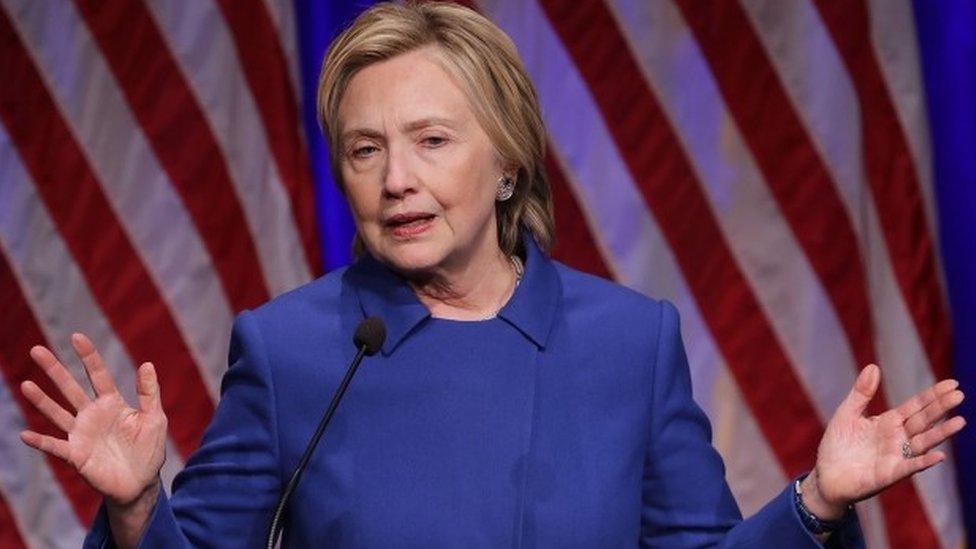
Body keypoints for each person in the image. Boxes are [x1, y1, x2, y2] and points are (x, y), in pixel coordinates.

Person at [19, 3, 966, 547]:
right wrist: (140, 503)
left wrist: (818, 498)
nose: (396, 180)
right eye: (363, 149)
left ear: (508, 161)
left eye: (432, 141)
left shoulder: (630, 341)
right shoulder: (293, 349)